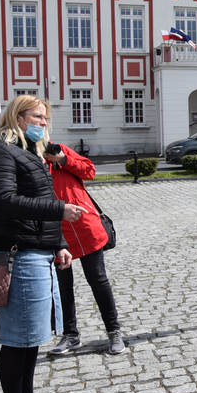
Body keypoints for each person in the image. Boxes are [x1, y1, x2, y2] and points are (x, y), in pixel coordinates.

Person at [0, 95, 89, 393]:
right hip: (19, 254)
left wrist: (58, 244)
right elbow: (3, 200)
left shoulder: (30, 152)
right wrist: (59, 211)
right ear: (18, 116)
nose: (43, 123)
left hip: (38, 250)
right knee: (18, 340)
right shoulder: (1, 151)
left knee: (31, 339)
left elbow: (40, 205)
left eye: (45, 118)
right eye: (37, 117)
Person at [44, 143, 125, 356]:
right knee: (63, 287)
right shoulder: (29, 157)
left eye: (43, 120)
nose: (41, 125)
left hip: (84, 226)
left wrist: (62, 159)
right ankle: (70, 334)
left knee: (98, 280)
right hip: (55, 231)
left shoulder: (58, 149)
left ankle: (113, 330)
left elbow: (89, 171)